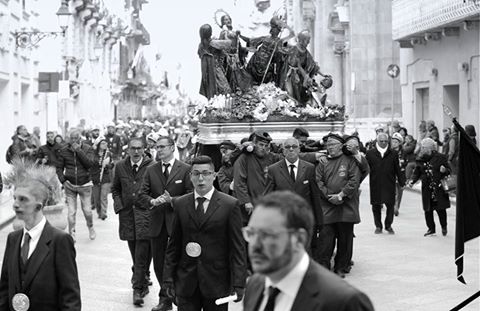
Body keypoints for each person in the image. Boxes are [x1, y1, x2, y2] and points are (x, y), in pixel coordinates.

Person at [243, 191, 374, 311]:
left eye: (267, 235)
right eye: (251, 233)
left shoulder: (344, 302)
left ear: (299, 239)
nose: (255, 245)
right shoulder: (255, 285)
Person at [163, 156, 246, 311]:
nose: (201, 178)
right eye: (196, 174)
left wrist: (239, 283)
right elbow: (173, 245)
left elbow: (238, 248)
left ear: (214, 175)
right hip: (186, 281)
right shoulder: (181, 204)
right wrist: (168, 279)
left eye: (206, 173)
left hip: (217, 282)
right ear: (190, 177)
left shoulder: (229, 205)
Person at [0, 163, 81, 310]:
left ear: (39, 205)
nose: (15, 205)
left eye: (23, 199)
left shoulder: (60, 241)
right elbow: (4, 289)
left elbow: (71, 297)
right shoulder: (13, 239)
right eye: (15, 198)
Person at [139, 136, 193, 311]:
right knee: (160, 263)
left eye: (162, 147)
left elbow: (191, 194)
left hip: (178, 223)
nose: (159, 150)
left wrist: (172, 201)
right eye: (157, 147)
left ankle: (180, 295)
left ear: (172, 147)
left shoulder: (185, 169)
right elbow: (142, 194)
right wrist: (152, 201)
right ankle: (165, 299)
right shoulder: (151, 170)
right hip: (157, 223)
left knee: (179, 261)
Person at [263, 137, 323, 257]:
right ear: (283, 150)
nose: (291, 149)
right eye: (287, 147)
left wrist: (319, 221)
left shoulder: (309, 168)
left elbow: (315, 196)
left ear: (299, 149)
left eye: (294, 147)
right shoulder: (273, 170)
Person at [112, 138, 154, 306]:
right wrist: (119, 205)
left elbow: (156, 188)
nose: (136, 152)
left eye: (139, 148)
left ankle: (138, 289)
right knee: (135, 249)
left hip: (145, 214)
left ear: (144, 149)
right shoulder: (120, 166)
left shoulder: (152, 166)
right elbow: (115, 188)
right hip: (128, 215)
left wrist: (152, 204)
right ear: (128, 150)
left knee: (143, 250)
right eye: (133, 148)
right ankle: (142, 273)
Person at [315, 133, 361, 278]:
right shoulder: (323, 162)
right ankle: (324, 267)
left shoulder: (350, 160)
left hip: (345, 206)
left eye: (333, 144)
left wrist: (341, 195)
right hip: (327, 206)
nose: (329, 148)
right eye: (328, 145)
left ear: (341, 146)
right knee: (325, 239)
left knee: (345, 239)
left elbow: (354, 180)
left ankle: (341, 267)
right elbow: (318, 181)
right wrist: (329, 196)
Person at [56, 129, 96, 242]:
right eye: (71, 138)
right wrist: (63, 180)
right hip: (70, 185)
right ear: (68, 138)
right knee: (71, 212)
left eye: (75, 138)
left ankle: (90, 227)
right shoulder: (63, 150)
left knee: (87, 211)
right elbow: (59, 168)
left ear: (80, 138)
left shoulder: (88, 148)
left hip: (85, 185)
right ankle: (72, 233)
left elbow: (89, 164)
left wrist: (78, 150)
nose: (73, 140)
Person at [234, 131, 281, 224]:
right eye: (261, 145)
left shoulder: (272, 157)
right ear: (253, 144)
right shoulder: (243, 158)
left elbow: (288, 159)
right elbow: (239, 181)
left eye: (266, 145)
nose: (263, 148)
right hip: (250, 206)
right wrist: (245, 201)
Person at [408, 138, 451, 236]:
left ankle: (444, 226)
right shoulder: (420, 158)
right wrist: (412, 181)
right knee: (428, 209)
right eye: (422, 147)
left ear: (430, 148)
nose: (422, 149)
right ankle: (431, 229)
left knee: (441, 209)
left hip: (438, 187)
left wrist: (444, 170)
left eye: (424, 147)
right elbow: (417, 172)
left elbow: (449, 170)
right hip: (427, 187)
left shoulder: (441, 157)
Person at [366, 133, 405, 234]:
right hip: (376, 183)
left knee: (390, 205)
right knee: (376, 205)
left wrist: (402, 182)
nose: (383, 143)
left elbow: (397, 169)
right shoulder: (370, 153)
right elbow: (365, 169)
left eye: (385, 141)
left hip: (389, 182)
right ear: (377, 141)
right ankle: (378, 226)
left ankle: (388, 225)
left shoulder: (393, 153)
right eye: (381, 141)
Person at [277, 30, 324, 105]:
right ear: (301, 40)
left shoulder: (305, 52)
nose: (308, 42)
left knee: (301, 96)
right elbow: (282, 46)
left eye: (309, 40)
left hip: (300, 78)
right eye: (307, 40)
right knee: (290, 94)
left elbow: (313, 65)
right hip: (289, 77)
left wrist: (323, 75)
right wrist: (287, 38)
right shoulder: (293, 48)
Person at [244, 16, 295, 85]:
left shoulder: (279, 41)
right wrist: (239, 36)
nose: (274, 30)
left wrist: (286, 25)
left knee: (264, 85)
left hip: (267, 66)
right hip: (255, 63)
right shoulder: (265, 38)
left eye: (276, 29)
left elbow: (292, 34)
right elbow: (251, 41)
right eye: (273, 28)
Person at [218, 14, 252, 91]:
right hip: (228, 60)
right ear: (223, 22)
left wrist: (245, 50)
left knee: (244, 78)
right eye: (226, 20)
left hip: (236, 59)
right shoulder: (223, 33)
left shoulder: (235, 32)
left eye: (229, 19)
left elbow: (238, 46)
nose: (228, 20)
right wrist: (226, 56)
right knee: (230, 78)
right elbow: (220, 46)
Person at [198, 24, 232, 99]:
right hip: (216, 69)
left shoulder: (201, 45)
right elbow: (229, 43)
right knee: (225, 90)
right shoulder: (213, 42)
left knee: (211, 89)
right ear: (210, 33)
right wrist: (225, 33)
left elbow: (200, 55)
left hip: (206, 71)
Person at [91, 137, 114, 220]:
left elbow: (112, 165)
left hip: (105, 177)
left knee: (103, 196)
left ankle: (103, 213)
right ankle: (99, 212)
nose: (105, 145)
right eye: (103, 143)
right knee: (96, 198)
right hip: (95, 177)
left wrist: (107, 165)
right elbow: (90, 164)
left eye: (106, 143)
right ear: (98, 145)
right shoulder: (93, 154)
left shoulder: (108, 154)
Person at [390, 133, 407, 216]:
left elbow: (406, 162)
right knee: (392, 191)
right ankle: (393, 206)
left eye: (396, 142)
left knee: (400, 191)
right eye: (392, 141)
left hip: (401, 174)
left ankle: (397, 206)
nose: (394, 143)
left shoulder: (403, 152)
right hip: (391, 175)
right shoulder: (389, 151)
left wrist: (402, 163)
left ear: (400, 143)